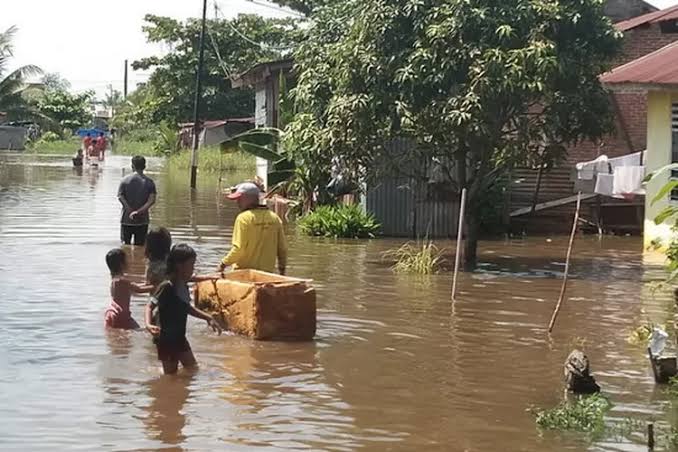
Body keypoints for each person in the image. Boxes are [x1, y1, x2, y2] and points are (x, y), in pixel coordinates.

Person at [145, 244, 222, 375]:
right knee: (170, 377)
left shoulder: (183, 286)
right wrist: (148, 324)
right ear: (179, 266)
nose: (193, 269)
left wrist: (208, 317)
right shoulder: (167, 287)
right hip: (166, 339)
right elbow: (149, 306)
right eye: (191, 265)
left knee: (192, 368)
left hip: (180, 337)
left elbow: (186, 308)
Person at [218, 182, 288, 275]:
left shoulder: (243, 218)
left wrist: (223, 264)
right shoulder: (274, 218)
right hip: (266, 275)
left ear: (248, 198)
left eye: (239, 199)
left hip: (243, 274)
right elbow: (282, 249)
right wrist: (282, 270)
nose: (237, 202)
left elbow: (239, 249)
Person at [105, 248, 154, 329]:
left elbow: (135, 286)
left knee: (115, 334)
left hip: (112, 311)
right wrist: (157, 286)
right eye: (126, 260)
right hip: (122, 313)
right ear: (122, 264)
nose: (128, 262)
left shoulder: (115, 279)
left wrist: (146, 284)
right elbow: (139, 290)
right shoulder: (122, 280)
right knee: (139, 330)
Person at [118, 156, 157, 246]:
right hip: (142, 220)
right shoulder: (149, 182)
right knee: (140, 246)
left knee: (125, 245)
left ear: (132, 166)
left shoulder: (124, 180)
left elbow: (120, 197)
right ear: (144, 166)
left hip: (126, 219)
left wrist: (130, 211)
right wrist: (138, 212)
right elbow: (152, 200)